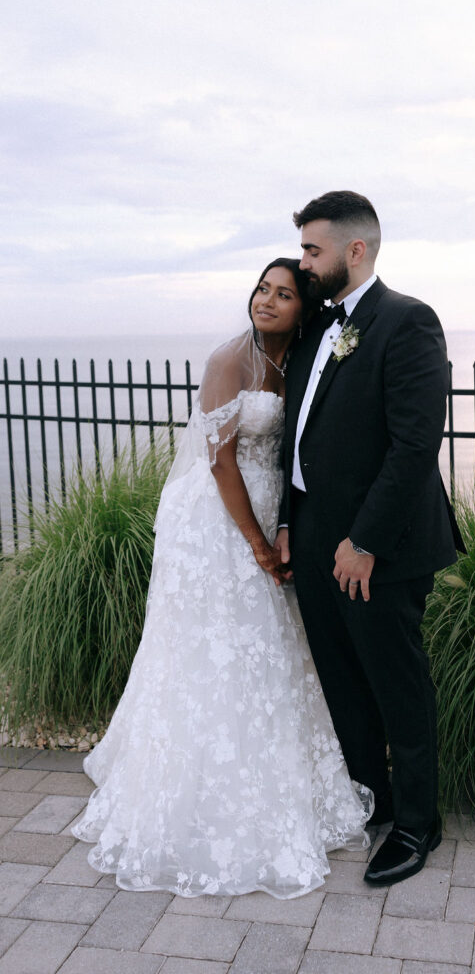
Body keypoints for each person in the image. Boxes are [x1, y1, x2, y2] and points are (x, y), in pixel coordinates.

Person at [72, 258, 372, 899]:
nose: (266, 300)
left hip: (268, 509)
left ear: (303, 309)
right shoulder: (227, 361)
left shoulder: (303, 360)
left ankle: (270, 774)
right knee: (212, 645)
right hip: (215, 522)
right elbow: (219, 462)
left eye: (283, 293)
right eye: (263, 288)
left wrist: (282, 528)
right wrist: (260, 544)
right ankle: (186, 786)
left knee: (267, 646)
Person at [275, 192, 466, 887]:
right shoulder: (316, 329)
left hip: (377, 548)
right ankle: (371, 800)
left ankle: (418, 823)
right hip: (316, 536)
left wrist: (364, 541)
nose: (303, 263)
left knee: (396, 684)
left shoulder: (407, 322)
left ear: (355, 251)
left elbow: (414, 445)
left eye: (312, 250)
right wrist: (291, 523)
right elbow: (300, 437)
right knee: (343, 683)